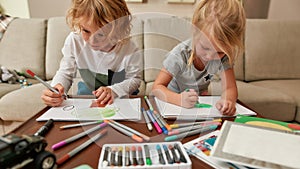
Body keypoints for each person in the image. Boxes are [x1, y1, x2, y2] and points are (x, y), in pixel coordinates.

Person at [152, 0, 246, 116]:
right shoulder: (179, 54)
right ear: (195, 32)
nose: (210, 56)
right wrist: (179, 99)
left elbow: (230, 88)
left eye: (219, 52)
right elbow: (157, 87)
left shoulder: (224, 58)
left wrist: (228, 100)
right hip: (172, 104)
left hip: (198, 106)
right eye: (205, 48)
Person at [42, 0, 142, 107]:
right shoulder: (75, 40)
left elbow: (134, 80)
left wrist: (114, 90)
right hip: (90, 92)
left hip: (121, 94)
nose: (91, 41)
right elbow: (65, 73)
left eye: (101, 35)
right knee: (83, 92)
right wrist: (56, 89)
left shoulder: (128, 47)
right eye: (86, 31)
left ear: (117, 31)